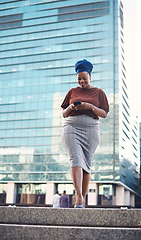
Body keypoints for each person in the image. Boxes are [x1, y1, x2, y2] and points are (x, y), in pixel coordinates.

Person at [61, 59, 109, 208]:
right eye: (79, 79)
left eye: (84, 78)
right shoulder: (72, 92)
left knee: (86, 164)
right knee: (76, 159)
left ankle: (83, 197)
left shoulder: (99, 92)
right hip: (71, 127)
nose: (81, 81)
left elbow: (104, 113)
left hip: (91, 128)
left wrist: (90, 107)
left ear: (90, 76)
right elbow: (64, 113)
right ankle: (79, 196)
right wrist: (71, 108)